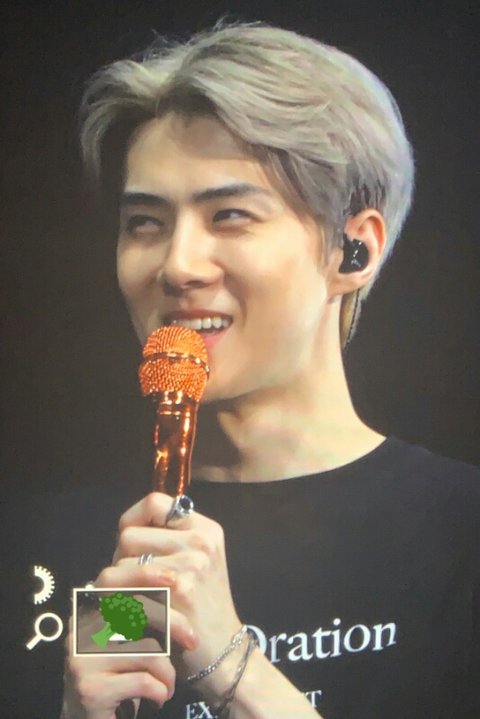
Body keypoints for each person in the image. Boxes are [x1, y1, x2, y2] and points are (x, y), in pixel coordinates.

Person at [57, 19, 479, 719]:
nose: (178, 266)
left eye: (229, 215)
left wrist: (232, 666)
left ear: (354, 251)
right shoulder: (48, 543)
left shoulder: (460, 533)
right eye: (146, 223)